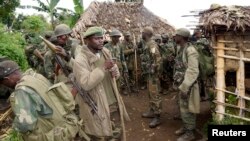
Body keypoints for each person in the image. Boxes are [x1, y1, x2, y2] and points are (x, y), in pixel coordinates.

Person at [0, 59, 88, 141]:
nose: (5, 86)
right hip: (67, 125)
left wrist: (15, 125)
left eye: (3, 83)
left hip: (55, 134)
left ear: (7, 79)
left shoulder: (21, 91)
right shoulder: (35, 76)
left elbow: (25, 125)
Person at [73, 26, 130, 140]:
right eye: (96, 38)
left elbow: (115, 73)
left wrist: (115, 71)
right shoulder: (80, 60)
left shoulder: (105, 52)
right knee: (102, 135)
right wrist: (103, 67)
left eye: (101, 38)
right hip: (98, 104)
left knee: (117, 133)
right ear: (88, 40)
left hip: (113, 101)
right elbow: (86, 83)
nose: (100, 41)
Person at [173, 28, 200, 141]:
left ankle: (190, 133)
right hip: (181, 83)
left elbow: (193, 70)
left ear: (182, 37)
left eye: (176, 35)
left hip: (187, 86)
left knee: (188, 108)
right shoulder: (181, 49)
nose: (174, 37)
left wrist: (185, 87)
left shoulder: (190, 50)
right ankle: (185, 127)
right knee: (182, 107)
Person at [140, 26, 162, 128]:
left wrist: (154, 71)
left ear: (146, 34)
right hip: (149, 74)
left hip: (153, 75)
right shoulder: (147, 44)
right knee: (150, 94)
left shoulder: (152, 45)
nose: (141, 34)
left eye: (143, 32)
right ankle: (152, 111)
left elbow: (157, 59)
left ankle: (157, 116)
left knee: (155, 95)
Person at [104, 29, 129, 95]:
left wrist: (125, 69)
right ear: (111, 37)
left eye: (118, 37)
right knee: (111, 82)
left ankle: (118, 94)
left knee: (119, 81)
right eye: (115, 37)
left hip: (119, 66)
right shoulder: (106, 46)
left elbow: (122, 58)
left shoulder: (120, 46)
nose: (117, 38)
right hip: (110, 68)